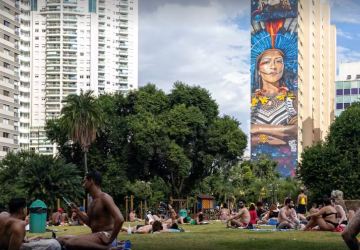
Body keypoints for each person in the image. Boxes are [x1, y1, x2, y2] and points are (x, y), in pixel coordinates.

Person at [57, 170, 124, 250]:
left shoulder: (104, 197)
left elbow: (120, 219)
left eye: (85, 181)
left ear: (91, 181)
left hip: (106, 236)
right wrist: (77, 211)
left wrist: (111, 239)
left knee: (70, 243)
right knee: (60, 239)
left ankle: (109, 248)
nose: (83, 184)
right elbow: (91, 223)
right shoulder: (92, 202)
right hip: (95, 236)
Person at [251, 48, 297, 146]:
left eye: (279, 61)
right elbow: (248, 134)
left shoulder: (293, 97)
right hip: (259, 158)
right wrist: (266, 139)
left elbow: (296, 129)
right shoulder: (252, 99)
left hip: (289, 156)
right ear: (258, 70)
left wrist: (257, 128)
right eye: (267, 62)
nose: (273, 66)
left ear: (283, 67)